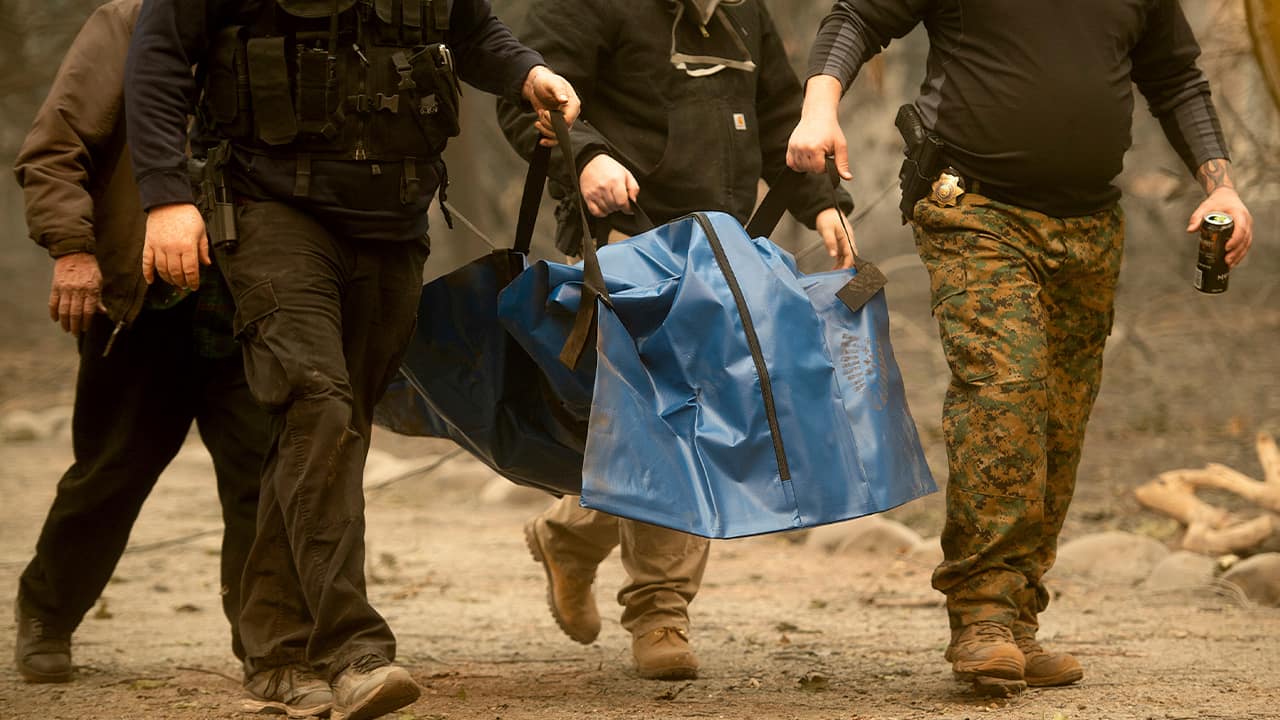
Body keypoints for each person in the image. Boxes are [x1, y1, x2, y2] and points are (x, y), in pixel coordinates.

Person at [125, 1, 580, 718]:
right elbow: (156, 58)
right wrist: (164, 195)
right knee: (319, 405)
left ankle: (276, 649)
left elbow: (472, 32)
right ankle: (353, 649)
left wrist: (529, 71)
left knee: (333, 429)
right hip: (268, 205)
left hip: (393, 215)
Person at [787, 0, 1255, 696]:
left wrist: (1224, 186)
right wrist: (819, 108)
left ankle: (1017, 616)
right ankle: (981, 615)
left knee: (1060, 417)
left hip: (1089, 221)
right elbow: (857, 16)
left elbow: (1176, 78)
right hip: (973, 206)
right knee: (1004, 390)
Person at [497, 0, 854, 681]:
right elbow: (524, 102)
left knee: (683, 426)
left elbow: (784, 114)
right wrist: (591, 156)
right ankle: (659, 611)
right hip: (626, 247)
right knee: (675, 423)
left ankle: (572, 535)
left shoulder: (743, 13)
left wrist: (821, 199)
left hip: (722, 254)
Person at [11, 0, 268, 685]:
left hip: (252, 302)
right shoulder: (126, 22)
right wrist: (72, 250)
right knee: (112, 473)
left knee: (263, 479)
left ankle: (267, 643)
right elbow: (53, 149)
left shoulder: (284, 20)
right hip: (142, 303)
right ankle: (46, 615)